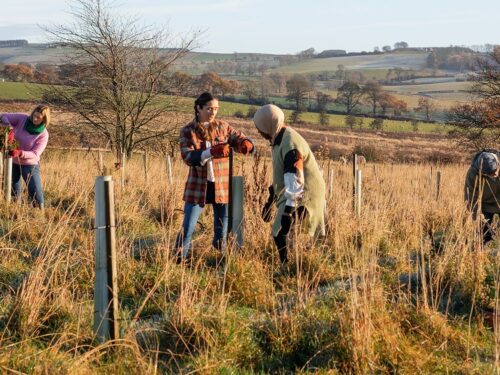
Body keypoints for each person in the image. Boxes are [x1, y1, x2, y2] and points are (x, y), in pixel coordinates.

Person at [175, 92, 254, 261]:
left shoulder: (223, 127)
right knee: (188, 226)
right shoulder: (188, 131)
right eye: (209, 108)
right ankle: (180, 258)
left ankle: (220, 258)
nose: (213, 112)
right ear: (199, 108)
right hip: (198, 186)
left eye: (216, 109)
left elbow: (239, 138)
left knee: (222, 228)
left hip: (221, 185)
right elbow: (187, 157)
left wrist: (246, 143)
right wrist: (211, 152)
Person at [254, 104, 325, 263]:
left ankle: (289, 266)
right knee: (285, 231)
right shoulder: (279, 138)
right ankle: (293, 263)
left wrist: (288, 211)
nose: (259, 132)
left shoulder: (290, 143)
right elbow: (282, 173)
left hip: (304, 192)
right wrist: (271, 199)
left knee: (281, 231)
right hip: (297, 190)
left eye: (260, 128)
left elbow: (295, 176)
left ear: (268, 124)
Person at [0, 105, 50, 208]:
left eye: (38, 118)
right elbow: (3, 116)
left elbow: (36, 154)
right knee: (12, 189)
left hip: (29, 165)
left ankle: (38, 212)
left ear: (44, 120)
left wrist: (20, 153)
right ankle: (15, 209)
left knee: (35, 191)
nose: (35, 119)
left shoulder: (43, 134)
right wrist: (9, 129)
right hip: (13, 162)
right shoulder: (22, 119)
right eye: (34, 115)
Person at [464, 150, 499, 245]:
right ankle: (483, 252)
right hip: (486, 204)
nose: (494, 175)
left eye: (495, 171)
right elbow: (470, 198)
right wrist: (478, 216)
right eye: (490, 174)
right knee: (483, 234)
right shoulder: (473, 173)